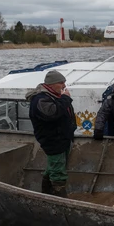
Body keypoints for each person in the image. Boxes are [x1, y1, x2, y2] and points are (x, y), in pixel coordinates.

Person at [26, 69, 77, 197]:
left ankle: (47, 192)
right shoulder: (40, 99)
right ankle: (59, 198)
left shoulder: (55, 96)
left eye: (64, 82)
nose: (64, 86)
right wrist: (65, 98)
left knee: (53, 168)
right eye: (61, 83)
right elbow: (53, 114)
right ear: (51, 84)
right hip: (53, 140)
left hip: (63, 138)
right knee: (58, 172)